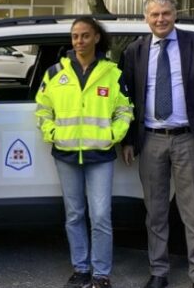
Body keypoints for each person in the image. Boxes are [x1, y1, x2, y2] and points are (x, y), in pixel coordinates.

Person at [120, 0, 194, 288]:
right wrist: (128, 140)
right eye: (154, 15)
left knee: (193, 211)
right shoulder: (135, 51)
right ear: (146, 19)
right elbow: (126, 101)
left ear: (175, 14)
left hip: (188, 139)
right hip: (151, 139)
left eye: (165, 13)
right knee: (155, 212)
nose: (160, 19)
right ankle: (158, 272)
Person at [35, 17, 133, 288]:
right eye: (75, 36)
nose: (79, 41)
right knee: (75, 214)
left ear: (96, 38)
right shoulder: (55, 72)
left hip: (99, 155)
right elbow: (43, 109)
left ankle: (101, 274)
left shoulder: (112, 73)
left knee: (100, 215)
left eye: (85, 35)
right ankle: (81, 269)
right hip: (66, 154)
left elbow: (124, 110)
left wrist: (114, 135)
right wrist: (52, 133)